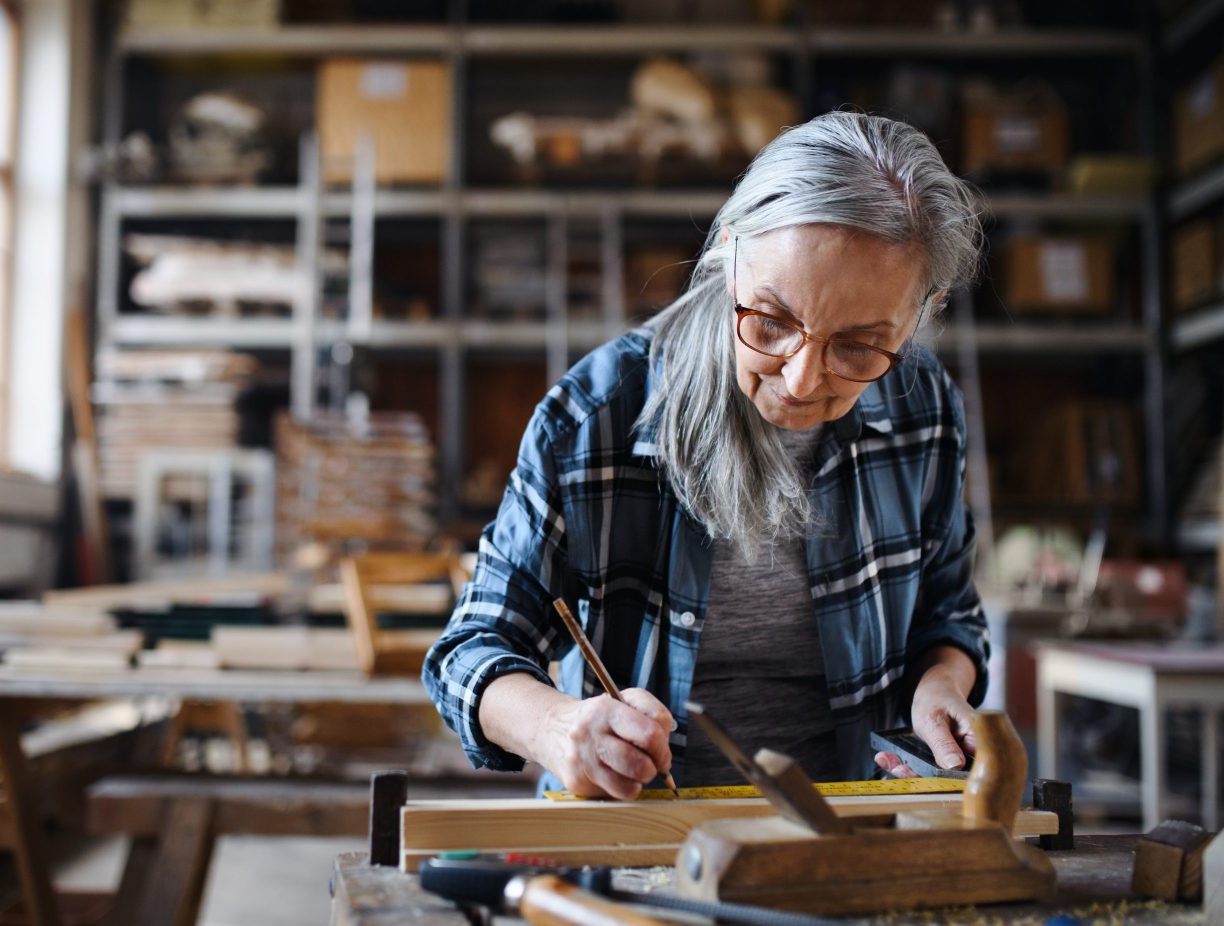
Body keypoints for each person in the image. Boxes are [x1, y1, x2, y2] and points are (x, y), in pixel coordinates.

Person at [422, 111, 989, 800]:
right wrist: (559, 727)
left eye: (858, 345)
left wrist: (940, 688)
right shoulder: (598, 417)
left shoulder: (922, 411)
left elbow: (947, 613)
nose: (801, 378)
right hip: (639, 844)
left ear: (924, 310)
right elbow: (468, 651)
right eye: (773, 322)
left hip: (852, 835)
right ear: (729, 253)